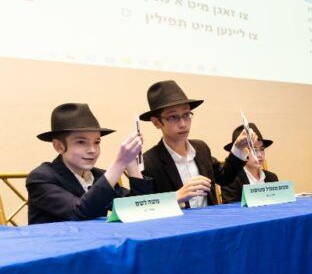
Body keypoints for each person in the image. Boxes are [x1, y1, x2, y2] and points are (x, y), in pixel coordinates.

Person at [27, 103, 152, 224]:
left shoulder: (98, 176)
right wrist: (119, 163)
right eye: (81, 142)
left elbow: (139, 210)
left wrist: (131, 162)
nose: (92, 150)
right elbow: (79, 212)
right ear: (59, 146)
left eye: (97, 142)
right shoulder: (41, 177)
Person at [139, 80, 253, 208]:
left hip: (210, 218)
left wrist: (238, 147)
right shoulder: (149, 162)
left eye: (186, 114)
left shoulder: (201, 148)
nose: (183, 124)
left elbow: (224, 178)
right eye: (173, 117)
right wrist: (174, 198)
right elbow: (145, 207)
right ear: (156, 122)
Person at [220, 123, 278, 204]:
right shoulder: (231, 180)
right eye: (254, 150)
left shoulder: (272, 177)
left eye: (262, 149)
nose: (260, 155)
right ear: (240, 151)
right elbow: (230, 209)